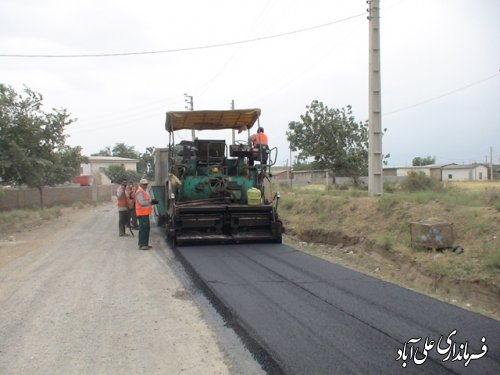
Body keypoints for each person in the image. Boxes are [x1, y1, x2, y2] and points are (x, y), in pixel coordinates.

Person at [135, 178, 158, 250]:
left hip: (145, 213)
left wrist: (151, 201)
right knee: (143, 229)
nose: (146, 186)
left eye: (146, 184)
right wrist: (151, 202)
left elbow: (146, 200)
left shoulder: (144, 191)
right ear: (141, 184)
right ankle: (142, 245)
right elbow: (142, 203)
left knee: (146, 228)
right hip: (142, 213)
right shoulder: (139, 192)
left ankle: (145, 244)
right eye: (144, 184)